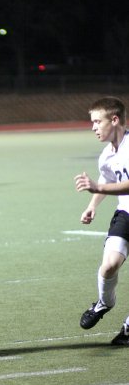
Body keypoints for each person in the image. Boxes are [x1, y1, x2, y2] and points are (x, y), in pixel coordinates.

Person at [74, 96, 129, 346]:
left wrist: (99, 187)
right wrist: (91, 205)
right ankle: (104, 303)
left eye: (97, 121)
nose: (93, 127)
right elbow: (105, 180)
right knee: (108, 266)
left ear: (114, 120)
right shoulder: (106, 155)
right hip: (126, 213)